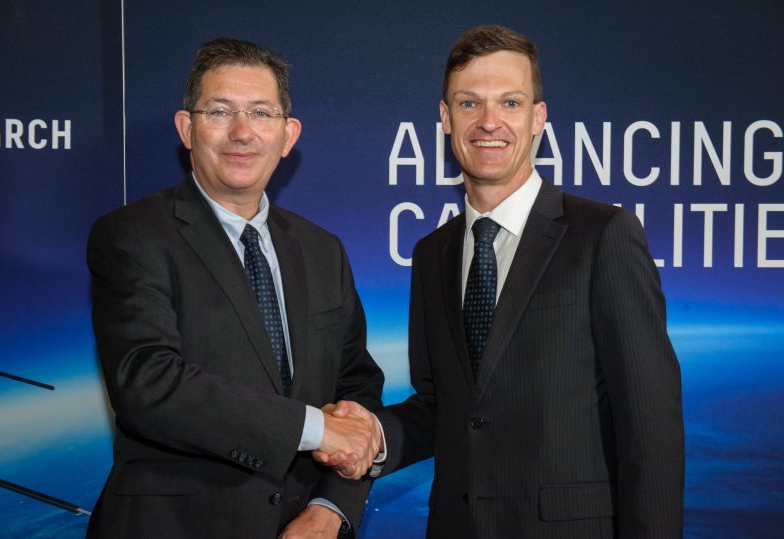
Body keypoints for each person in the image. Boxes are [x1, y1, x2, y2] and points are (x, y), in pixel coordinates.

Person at [324, 25, 684, 538]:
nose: (489, 122)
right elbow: (442, 407)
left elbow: (651, 426)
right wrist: (370, 435)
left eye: (510, 103)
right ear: (446, 119)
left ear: (538, 117)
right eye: (469, 104)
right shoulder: (431, 254)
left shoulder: (603, 235)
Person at [86, 37, 384, 539]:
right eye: (220, 111)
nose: (242, 132)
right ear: (187, 128)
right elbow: (149, 382)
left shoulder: (322, 250)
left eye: (262, 113)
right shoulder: (132, 234)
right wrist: (315, 428)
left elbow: (357, 390)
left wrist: (331, 508)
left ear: (288, 136)